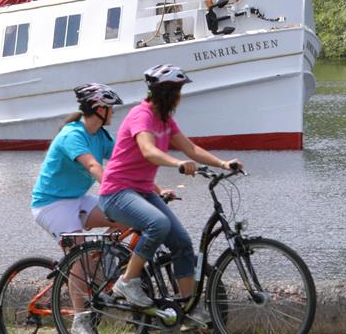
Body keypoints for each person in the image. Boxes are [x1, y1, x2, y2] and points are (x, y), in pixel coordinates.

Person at [98, 65, 242, 316]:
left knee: (183, 244)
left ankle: (188, 308)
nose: (180, 97)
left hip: (142, 191)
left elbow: (191, 149)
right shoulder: (141, 115)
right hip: (117, 193)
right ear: (166, 93)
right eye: (178, 91)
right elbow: (148, 150)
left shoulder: (165, 120)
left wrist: (222, 163)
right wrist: (177, 164)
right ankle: (127, 281)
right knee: (158, 224)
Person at [30, 83, 125, 334]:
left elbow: (123, 161)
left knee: (126, 217)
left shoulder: (101, 136)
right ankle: (80, 322)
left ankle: (101, 265)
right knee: (79, 256)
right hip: (51, 204)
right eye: (110, 108)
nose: (113, 113)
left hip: (78, 198)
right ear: (98, 109)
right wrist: (115, 187)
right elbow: (93, 166)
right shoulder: (72, 135)